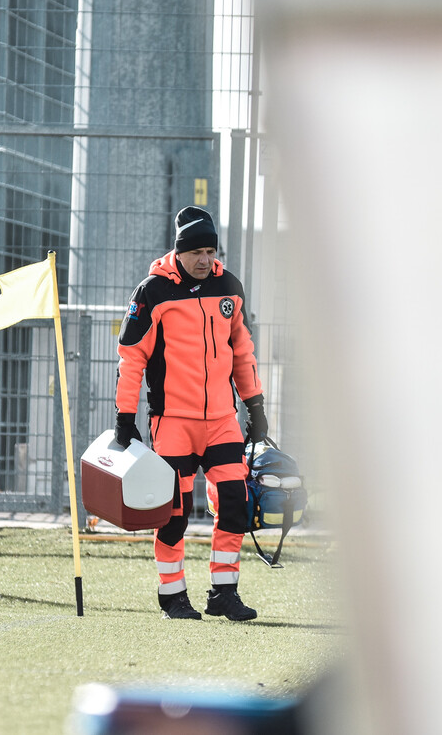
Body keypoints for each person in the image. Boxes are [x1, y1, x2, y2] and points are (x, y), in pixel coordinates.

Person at [115, 206, 269, 621]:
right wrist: (124, 419)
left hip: (222, 422)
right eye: (196, 252)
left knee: (235, 503)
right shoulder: (152, 292)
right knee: (174, 516)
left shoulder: (229, 287)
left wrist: (254, 405)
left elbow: (243, 352)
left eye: (210, 250)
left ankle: (224, 592)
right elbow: (131, 359)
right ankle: (172, 596)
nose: (205, 259)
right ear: (178, 252)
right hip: (173, 424)